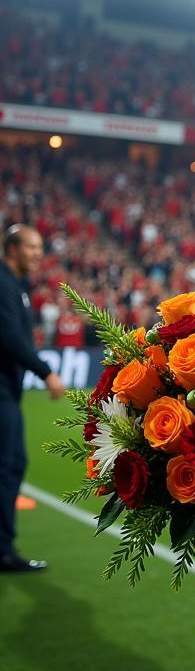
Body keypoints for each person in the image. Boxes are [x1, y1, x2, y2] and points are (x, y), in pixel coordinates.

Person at [0, 225, 66, 573]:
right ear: (12, 248)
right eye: (32, 246)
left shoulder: (16, 285)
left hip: (8, 391)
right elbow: (9, 336)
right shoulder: (4, 283)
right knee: (9, 465)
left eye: (41, 246)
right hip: (2, 394)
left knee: (11, 463)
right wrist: (46, 372)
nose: (39, 253)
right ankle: (2, 550)